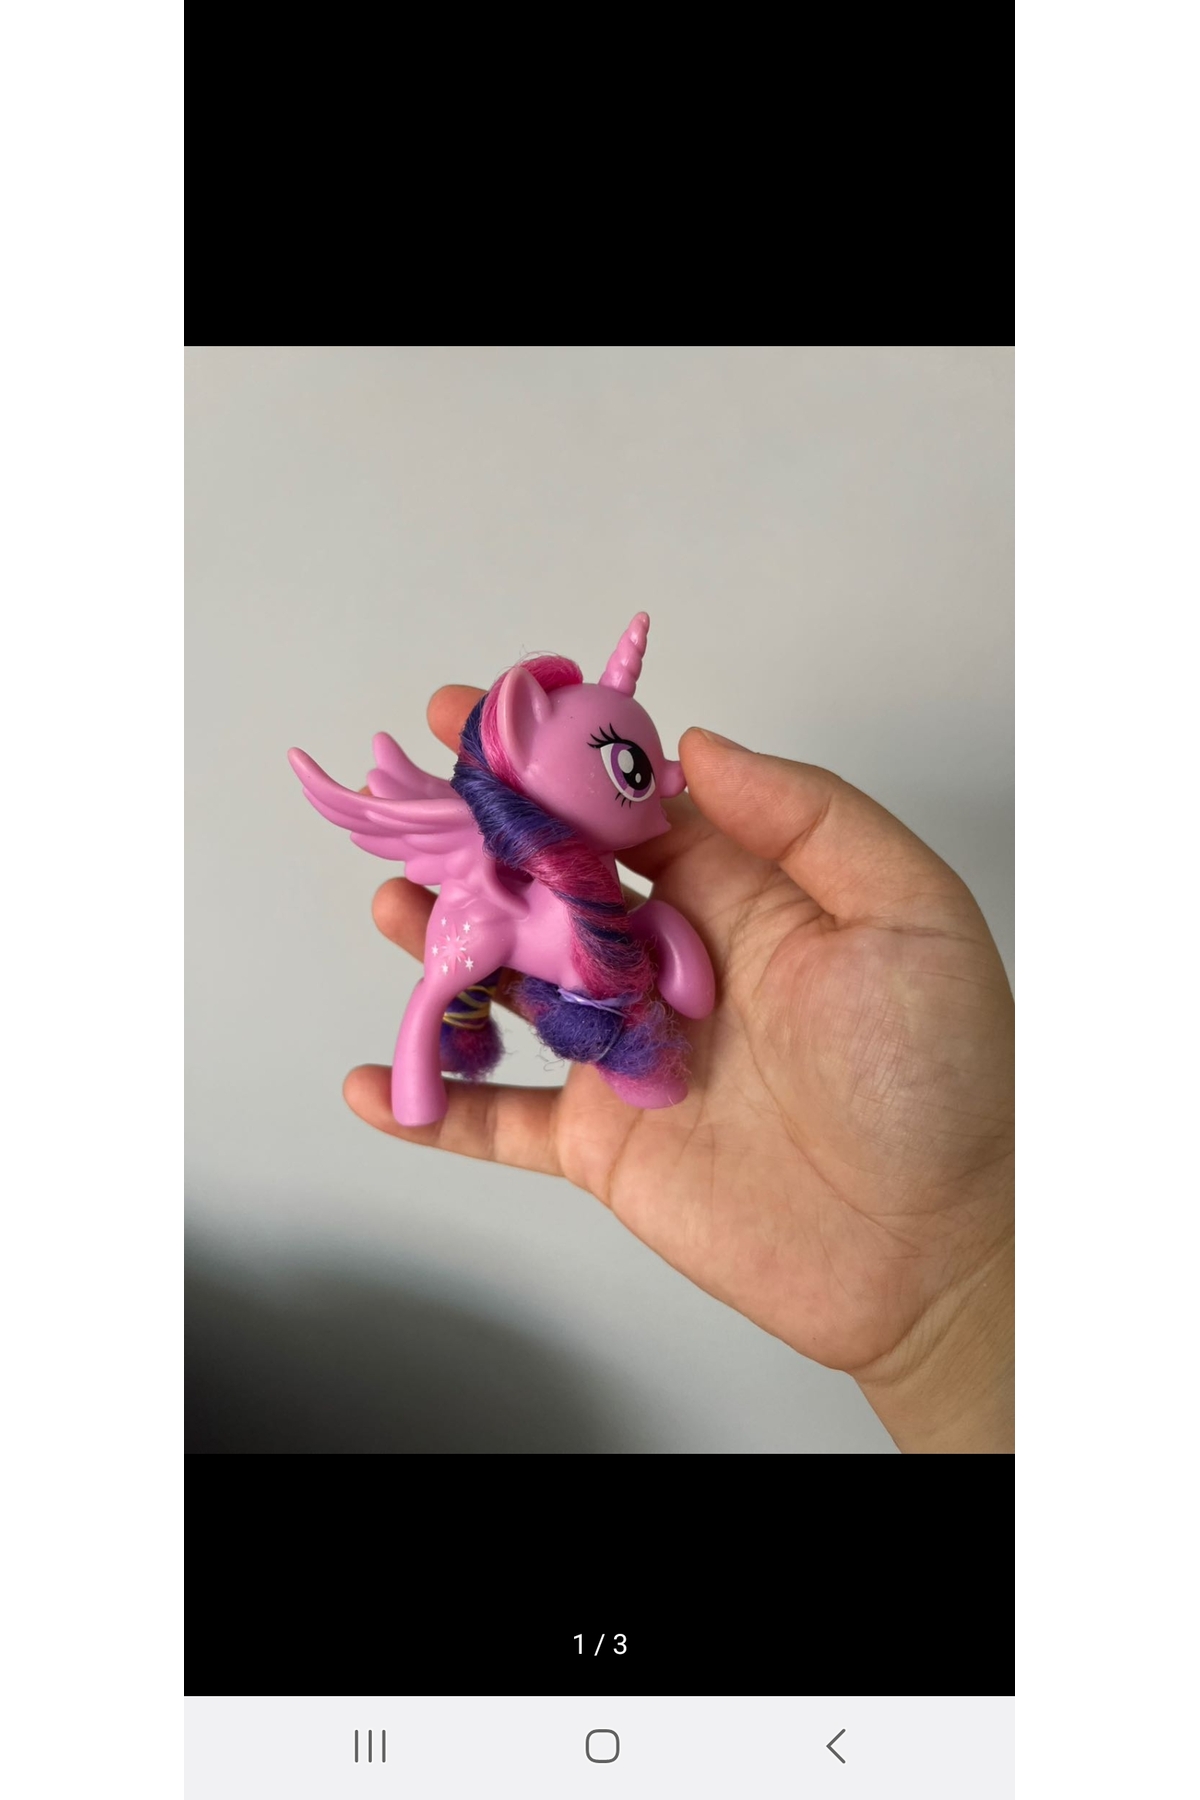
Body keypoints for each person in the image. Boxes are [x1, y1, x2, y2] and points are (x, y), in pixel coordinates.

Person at [344, 689, 1015, 1455]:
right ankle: (426, 1038)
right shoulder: (495, 902)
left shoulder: (598, 890)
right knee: (443, 984)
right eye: (634, 768)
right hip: (516, 933)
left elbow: (634, 929)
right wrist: (950, 1318)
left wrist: (960, 1288)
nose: (668, 778)